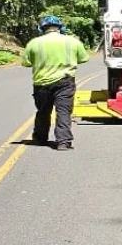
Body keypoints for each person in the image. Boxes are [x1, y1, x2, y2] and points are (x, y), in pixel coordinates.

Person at [22, 15, 90, 150]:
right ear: (60, 28)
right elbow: (84, 58)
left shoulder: (34, 43)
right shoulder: (72, 42)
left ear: (42, 29)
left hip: (41, 83)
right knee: (63, 111)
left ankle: (40, 138)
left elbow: (26, 63)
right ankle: (63, 142)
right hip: (65, 82)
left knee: (43, 111)